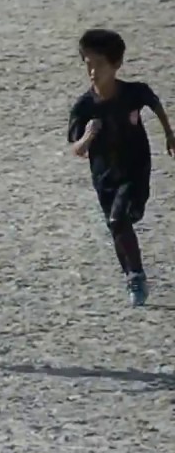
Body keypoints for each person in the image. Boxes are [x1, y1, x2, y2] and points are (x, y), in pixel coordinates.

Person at [68, 28, 175, 306]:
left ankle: (135, 275)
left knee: (120, 219)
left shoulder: (133, 92)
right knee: (116, 224)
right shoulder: (83, 107)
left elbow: (153, 102)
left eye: (99, 65)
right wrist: (89, 135)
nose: (92, 71)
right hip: (104, 178)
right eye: (88, 64)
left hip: (134, 168)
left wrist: (169, 134)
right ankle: (133, 276)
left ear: (115, 64)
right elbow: (76, 149)